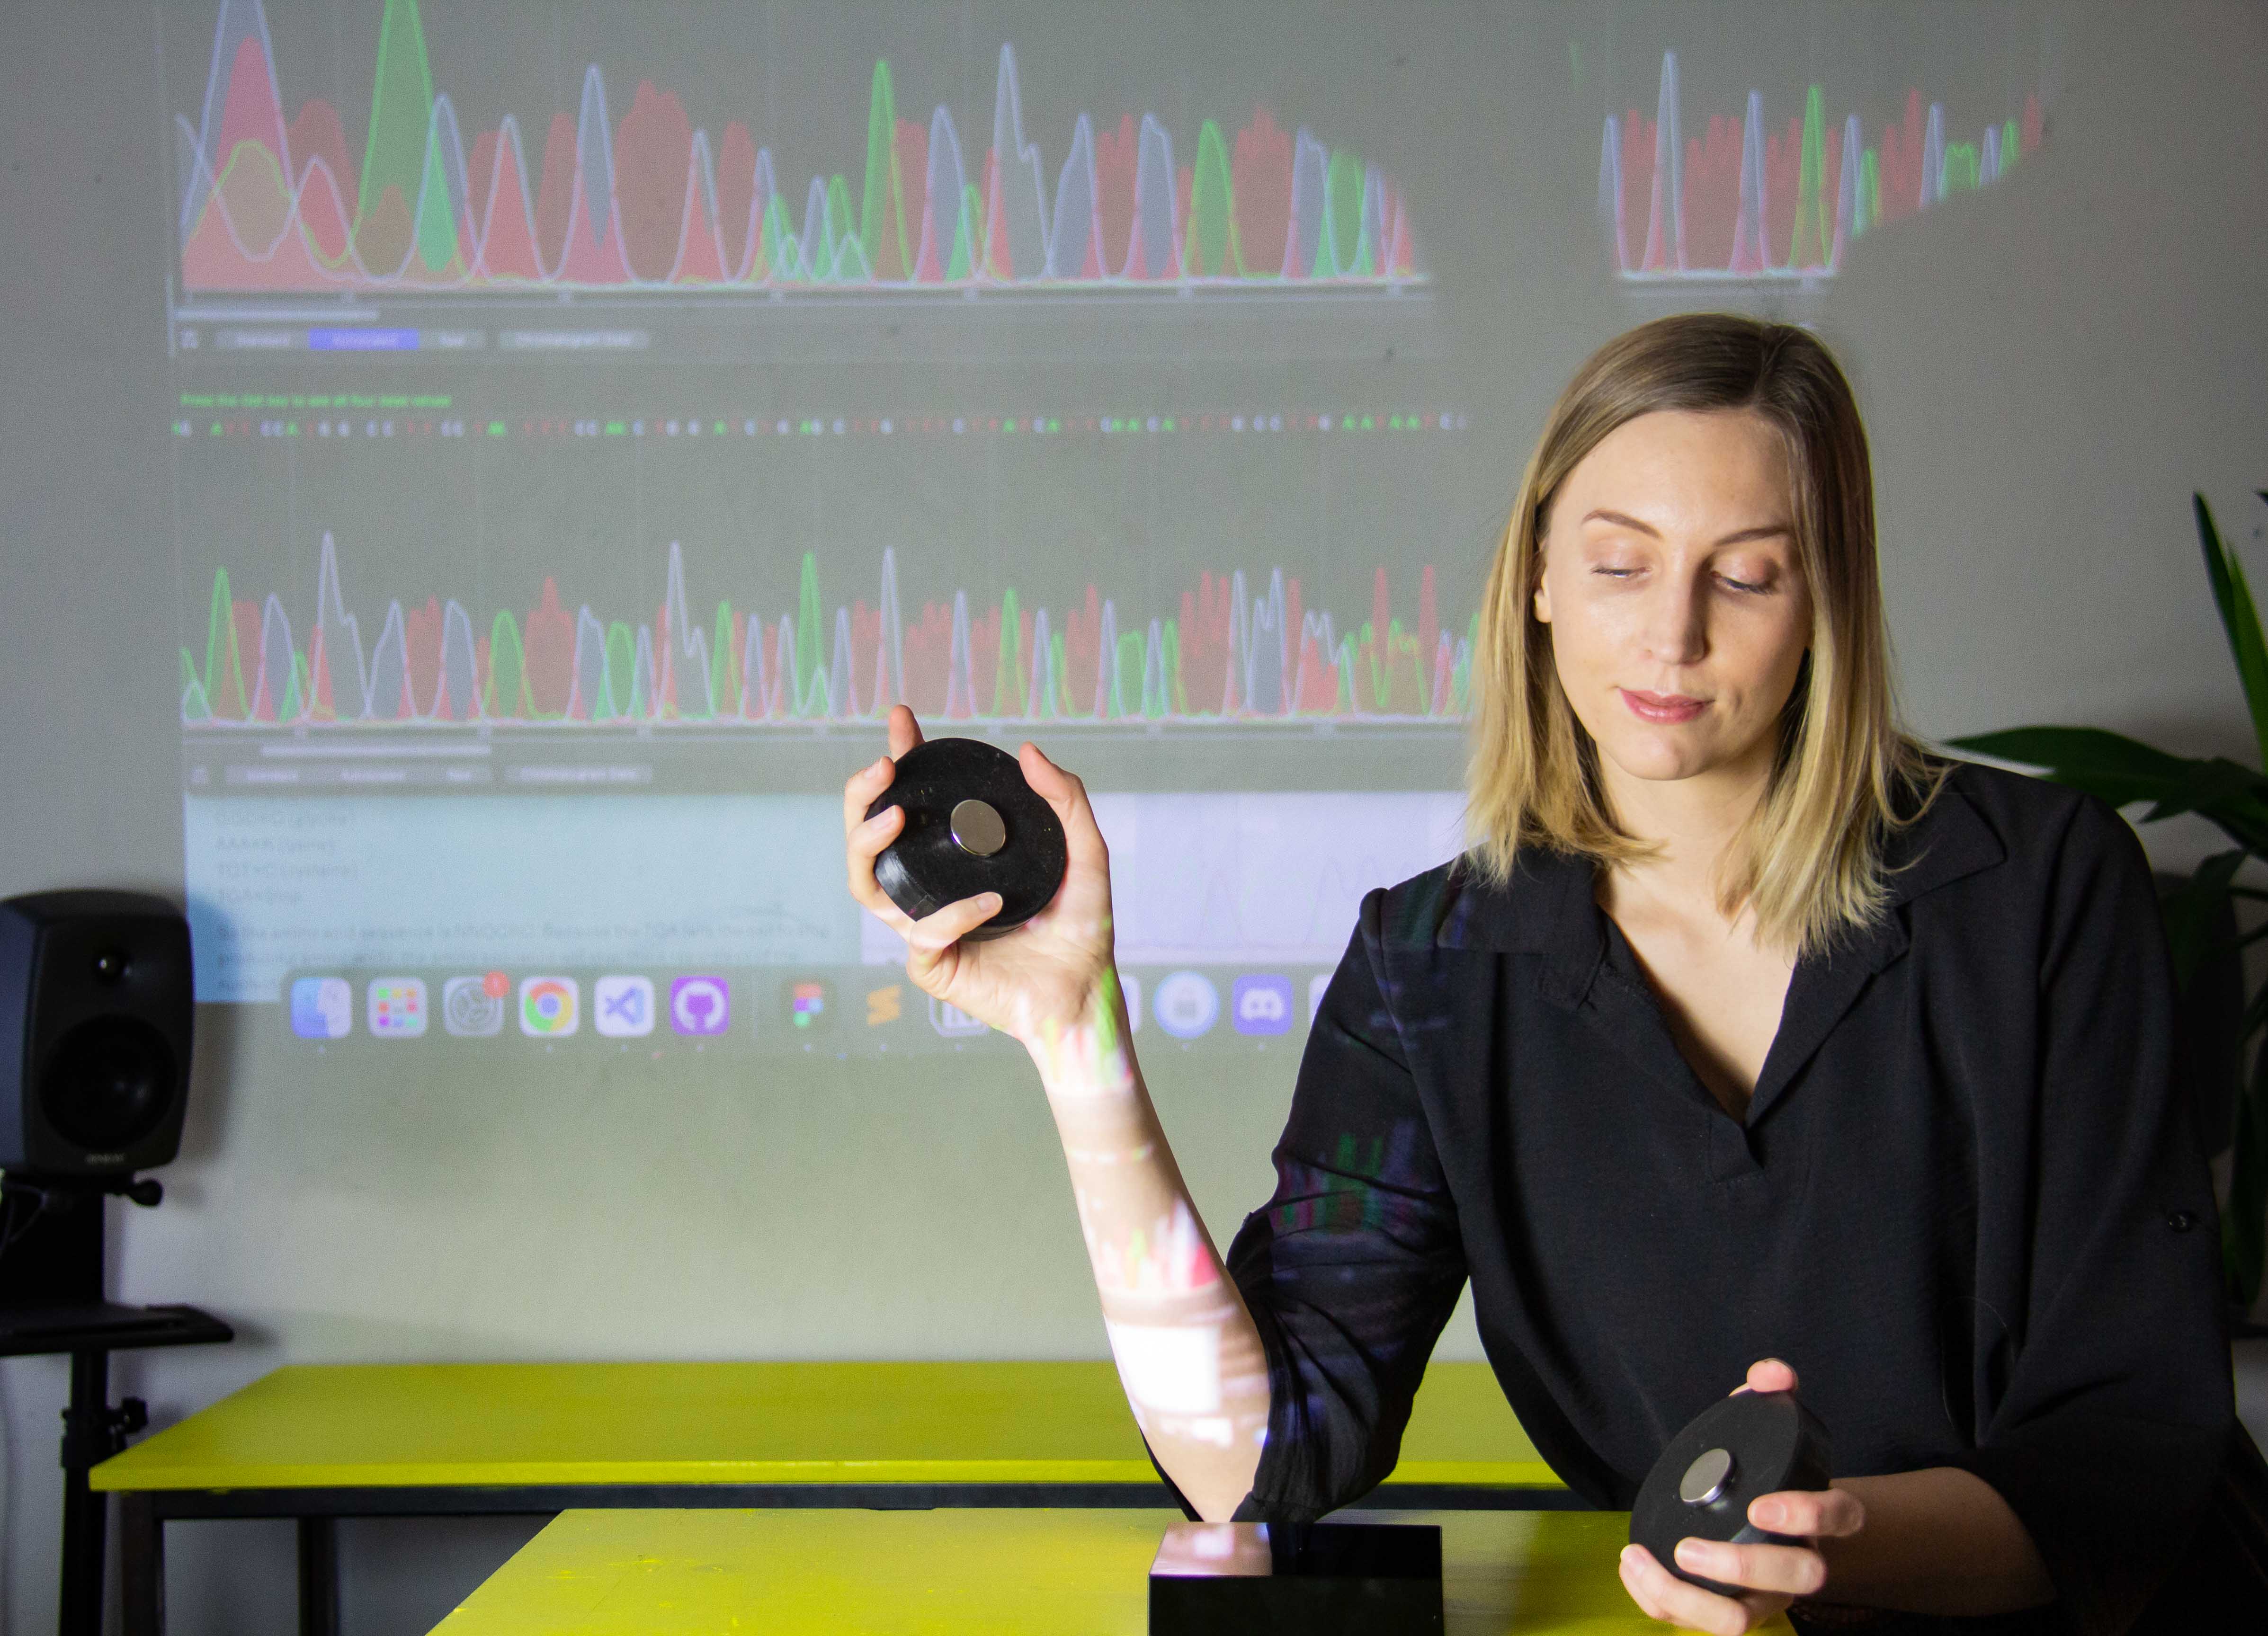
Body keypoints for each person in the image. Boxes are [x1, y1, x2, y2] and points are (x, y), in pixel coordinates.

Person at [842, 313, 2260, 1635]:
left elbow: (2123, 1458)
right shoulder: (1433, 964)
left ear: (1827, 597)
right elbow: (1255, 1462)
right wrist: (1076, 1038)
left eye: (1748, 573)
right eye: (1619, 561)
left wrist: (1823, 1539)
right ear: (1535, 572)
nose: (1673, 634)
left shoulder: (2042, 886)